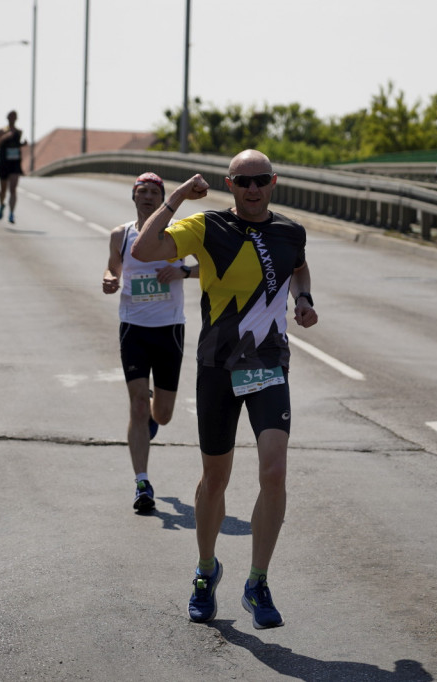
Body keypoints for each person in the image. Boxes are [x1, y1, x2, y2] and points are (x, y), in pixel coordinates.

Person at [131, 149, 318, 629]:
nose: (252, 189)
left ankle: (257, 581)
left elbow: (298, 267)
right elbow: (144, 251)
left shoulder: (290, 231)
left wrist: (304, 300)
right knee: (215, 480)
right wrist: (175, 197)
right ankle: (206, 569)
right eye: (242, 181)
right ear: (229, 185)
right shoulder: (205, 226)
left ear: (273, 182)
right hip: (217, 366)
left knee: (273, 471)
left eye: (260, 180)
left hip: (268, 363)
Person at [103, 172, 198, 513]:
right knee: (137, 406)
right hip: (134, 327)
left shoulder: (178, 232)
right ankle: (142, 482)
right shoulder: (121, 234)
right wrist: (110, 280)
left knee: (164, 415)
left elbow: (214, 267)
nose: (147, 197)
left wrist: (183, 272)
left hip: (169, 328)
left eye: (153, 192)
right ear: (134, 197)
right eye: (141, 191)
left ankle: (154, 412)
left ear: (162, 198)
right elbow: (112, 269)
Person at [0, 110, 26, 223]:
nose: (12, 119)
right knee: (3, 190)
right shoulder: (2, 131)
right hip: (3, 163)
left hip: (15, 163)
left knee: (13, 189)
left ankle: (11, 213)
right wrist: (4, 137)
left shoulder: (19, 132)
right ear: (7, 118)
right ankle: (2, 204)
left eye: (14, 117)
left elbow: (17, 145)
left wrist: (23, 144)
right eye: (11, 117)